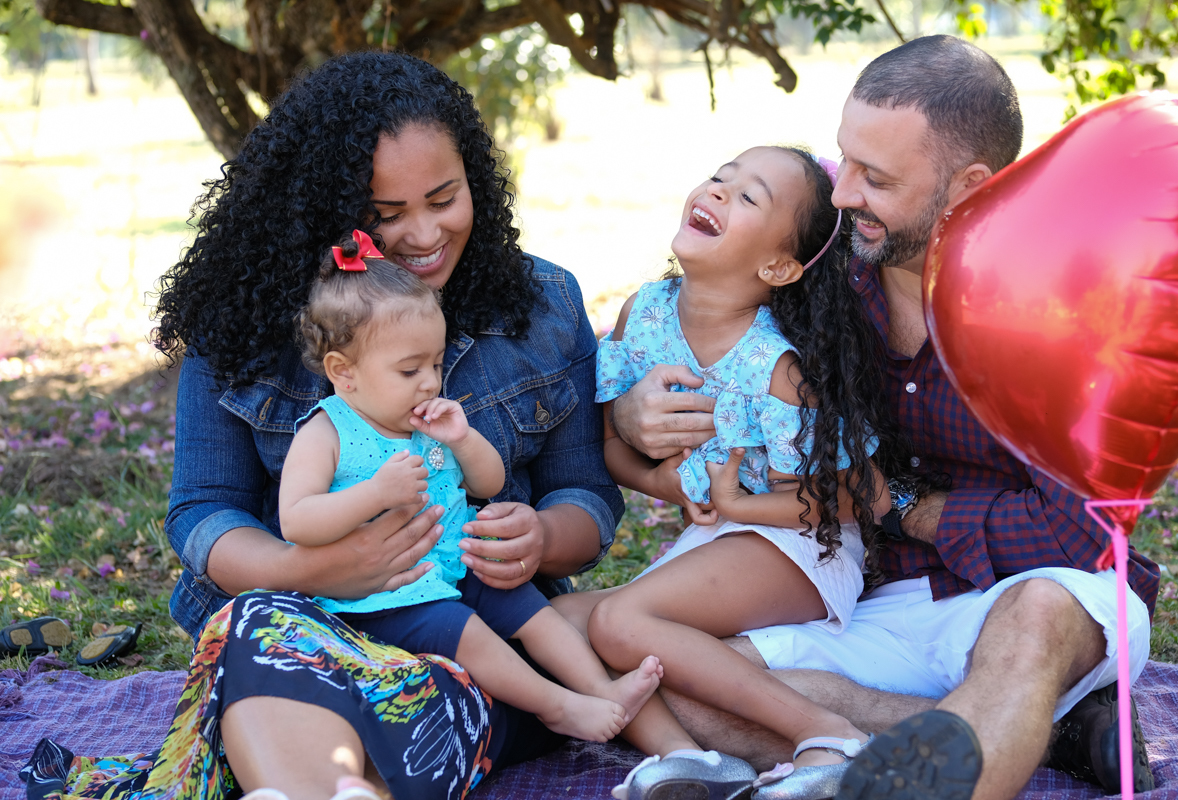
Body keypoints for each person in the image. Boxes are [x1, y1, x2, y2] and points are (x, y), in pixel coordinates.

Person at [23, 51, 622, 800]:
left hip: (476, 634)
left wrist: (540, 538)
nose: (424, 234)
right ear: (320, 210)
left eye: (444, 198)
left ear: (477, 182)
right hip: (309, 625)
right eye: (383, 215)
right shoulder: (242, 324)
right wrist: (308, 571)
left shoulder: (543, 304)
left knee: (421, 688)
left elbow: (587, 499)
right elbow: (204, 511)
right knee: (257, 639)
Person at [609, 36, 1159, 800]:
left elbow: (1078, 532)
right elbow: (707, 328)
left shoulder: (1062, 309)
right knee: (665, 677)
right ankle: (1043, 729)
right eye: (845, 160)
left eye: (875, 178)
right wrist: (635, 412)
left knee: (1034, 621)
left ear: (967, 187)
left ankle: (1001, 718)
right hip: (880, 599)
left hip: (1042, 592)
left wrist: (899, 505)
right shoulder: (829, 275)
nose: (841, 194)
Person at [566, 144, 913, 795]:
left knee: (617, 625)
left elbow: (856, 499)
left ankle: (833, 736)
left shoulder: (776, 370)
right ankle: (690, 763)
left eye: (749, 196)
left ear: (779, 265)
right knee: (556, 631)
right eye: (721, 177)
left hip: (805, 546)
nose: (719, 190)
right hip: (726, 536)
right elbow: (610, 443)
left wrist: (737, 504)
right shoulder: (643, 315)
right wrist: (666, 484)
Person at [279, 233, 662, 742]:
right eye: (410, 370)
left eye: (436, 365)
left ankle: (601, 688)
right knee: (469, 634)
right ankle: (557, 707)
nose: (429, 382)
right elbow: (297, 520)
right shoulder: (326, 433)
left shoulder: (427, 423)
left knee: (532, 610)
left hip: (458, 566)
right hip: (389, 596)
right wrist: (374, 495)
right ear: (343, 373)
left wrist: (463, 439)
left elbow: (490, 483)